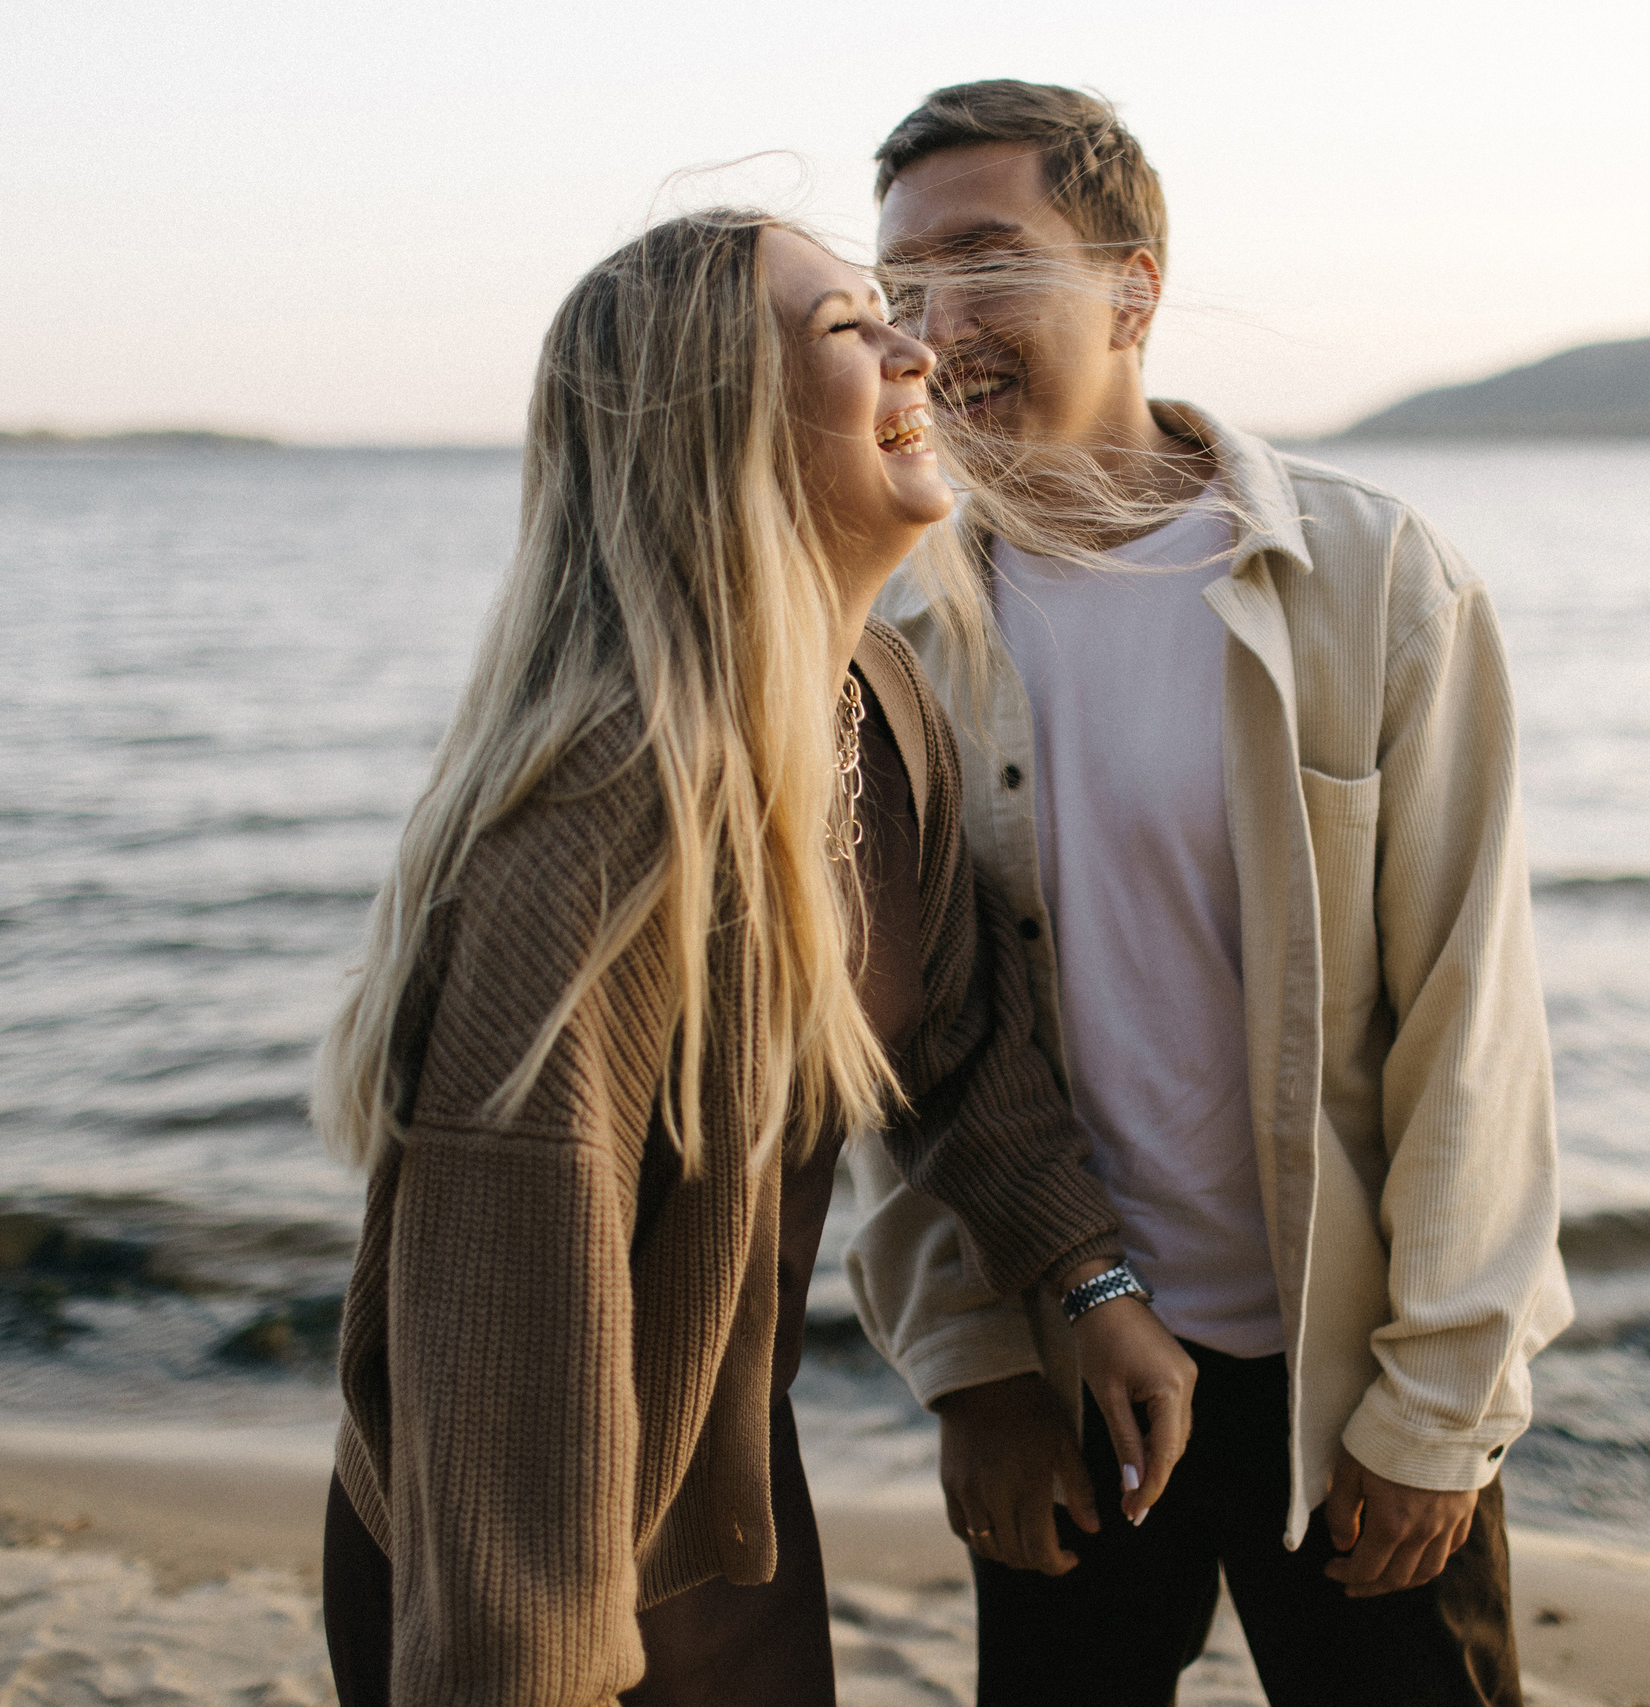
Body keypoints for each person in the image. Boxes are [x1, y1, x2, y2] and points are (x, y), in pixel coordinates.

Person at [306, 208, 1196, 1707]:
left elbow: (951, 1036)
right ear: (713, 422)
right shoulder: (599, 832)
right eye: (853, 328)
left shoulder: (874, 694)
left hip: (723, 1519)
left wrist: (1084, 1271)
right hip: (525, 1573)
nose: (921, 345)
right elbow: (514, 1374)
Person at [840, 81, 1574, 1707]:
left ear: (1132, 283)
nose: (930, 325)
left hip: (1354, 1374)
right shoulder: (892, 630)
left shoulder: (1371, 575)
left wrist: (1440, 1401)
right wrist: (970, 1370)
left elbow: (1471, 1017)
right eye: (897, 287)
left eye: (983, 261)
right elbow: (902, 1044)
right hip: (1063, 1363)